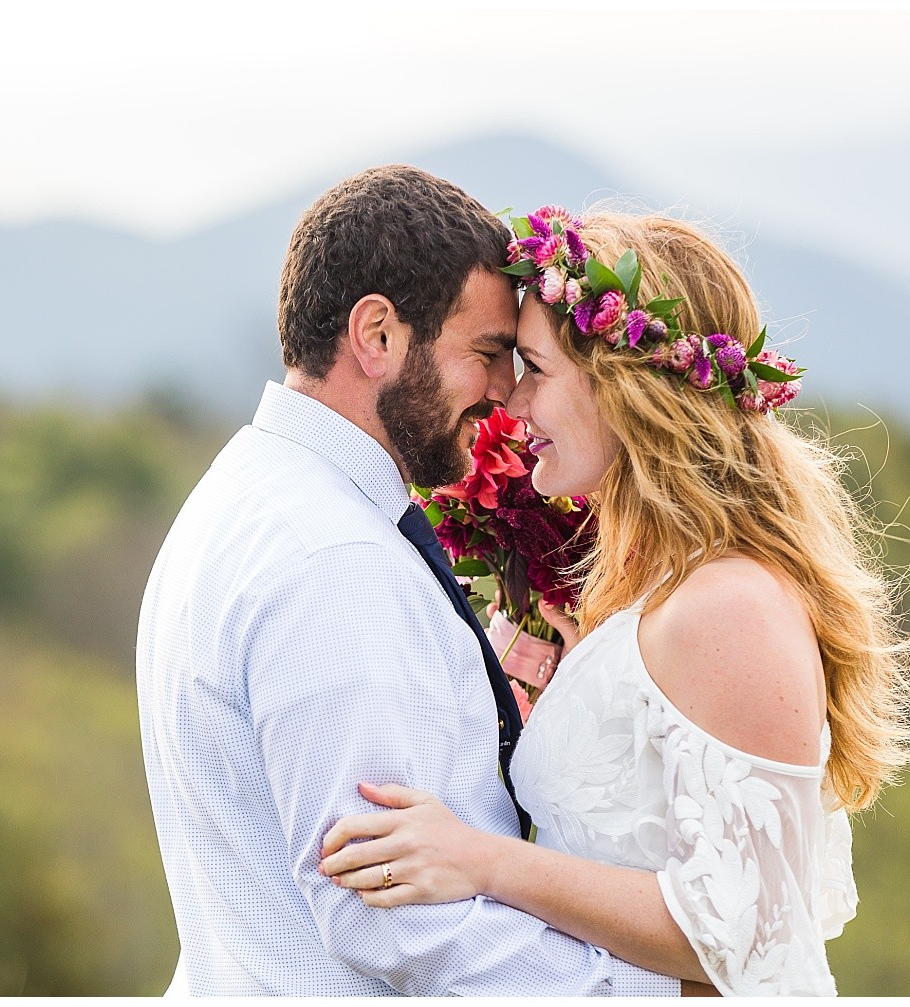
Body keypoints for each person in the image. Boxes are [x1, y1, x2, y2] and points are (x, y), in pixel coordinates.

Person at [319, 207, 910, 996]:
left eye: (535, 369)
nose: (512, 403)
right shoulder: (660, 593)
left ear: (627, 391)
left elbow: (741, 934)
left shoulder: (729, 608)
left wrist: (482, 858)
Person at [135, 168, 685, 995]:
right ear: (379, 335)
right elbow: (397, 923)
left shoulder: (245, 492)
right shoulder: (335, 561)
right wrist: (657, 992)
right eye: (488, 354)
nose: (506, 392)